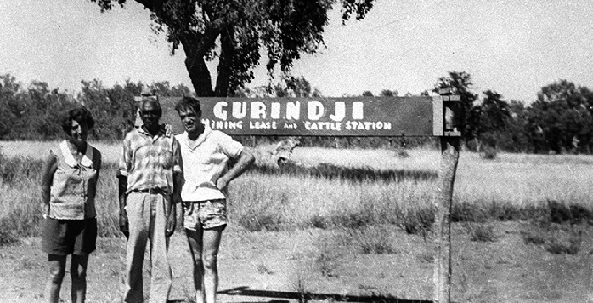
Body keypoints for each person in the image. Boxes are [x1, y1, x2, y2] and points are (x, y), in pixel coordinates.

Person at [174, 96, 255, 303]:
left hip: (212, 203)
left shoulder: (216, 137)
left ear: (200, 115)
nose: (188, 120)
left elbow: (247, 156)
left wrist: (226, 177)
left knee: (210, 259)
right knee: (197, 259)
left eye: (191, 115)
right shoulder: (178, 141)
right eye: (183, 117)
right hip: (189, 204)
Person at [117, 97, 182, 303]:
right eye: (146, 113)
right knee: (134, 255)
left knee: (160, 257)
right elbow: (122, 176)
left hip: (162, 199)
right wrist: (122, 211)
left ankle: (158, 299)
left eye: (153, 112)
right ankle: (132, 299)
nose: (150, 116)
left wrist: (173, 212)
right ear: (140, 114)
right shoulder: (130, 139)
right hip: (137, 198)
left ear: (159, 113)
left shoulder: (171, 140)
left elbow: (176, 178)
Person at [41, 107, 102, 303]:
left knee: (79, 273)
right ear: (69, 129)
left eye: (83, 126)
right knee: (56, 273)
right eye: (75, 127)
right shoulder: (57, 154)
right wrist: (46, 208)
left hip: (84, 221)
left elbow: (94, 186)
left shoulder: (95, 155)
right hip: (58, 220)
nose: (80, 131)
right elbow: (44, 183)